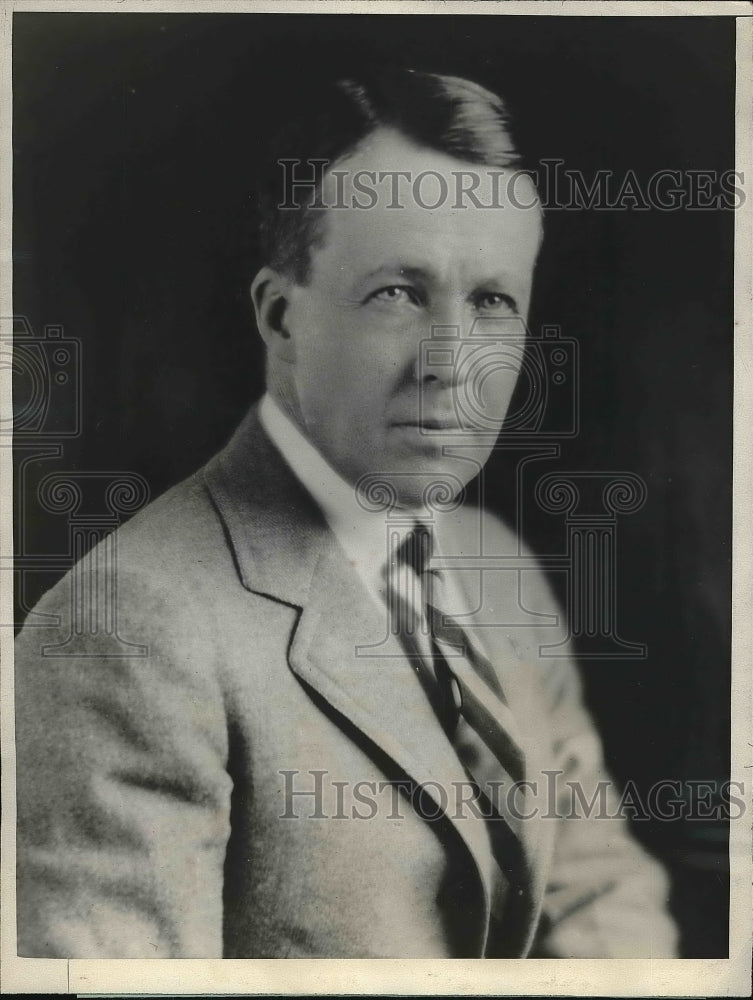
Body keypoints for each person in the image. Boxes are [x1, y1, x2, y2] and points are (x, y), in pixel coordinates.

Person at [15, 69, 678, 959]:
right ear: (281, 318)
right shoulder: (126, 632)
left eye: (490, 302)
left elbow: (600, 891)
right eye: (397, 294)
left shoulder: (494, 567)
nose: (454, 364)